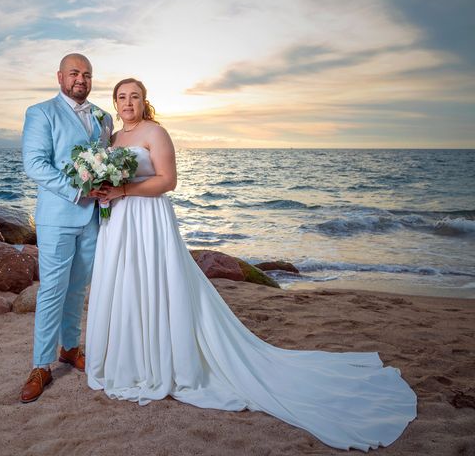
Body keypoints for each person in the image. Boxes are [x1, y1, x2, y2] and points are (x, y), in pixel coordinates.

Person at [85, 78, 417, 451]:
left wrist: (125, 190)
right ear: (114, 103)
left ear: (146, 102)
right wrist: (103, 191)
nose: (128, 102)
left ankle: (164, 360)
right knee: (128, 285)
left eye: (135, 96)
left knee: (157, 283)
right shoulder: (111, 141)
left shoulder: (155, 132)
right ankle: (134, 358)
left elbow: (168, 181)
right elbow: (109, 178)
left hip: (149, 220)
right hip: (120, 223)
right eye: (122, 97)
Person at [20, 53, 112, 403]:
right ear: (60, 77)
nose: (81, 80)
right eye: (74, 73)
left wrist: (106, 188)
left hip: (93, 218)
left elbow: (106, 161)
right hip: (58, 217)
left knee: (78, 289)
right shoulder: (40, 112)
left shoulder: (102, 117)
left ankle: (70, 348)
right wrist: (77, 190)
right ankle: (41, 366)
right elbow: (35, 164)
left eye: (87, 74)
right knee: (52, 291)